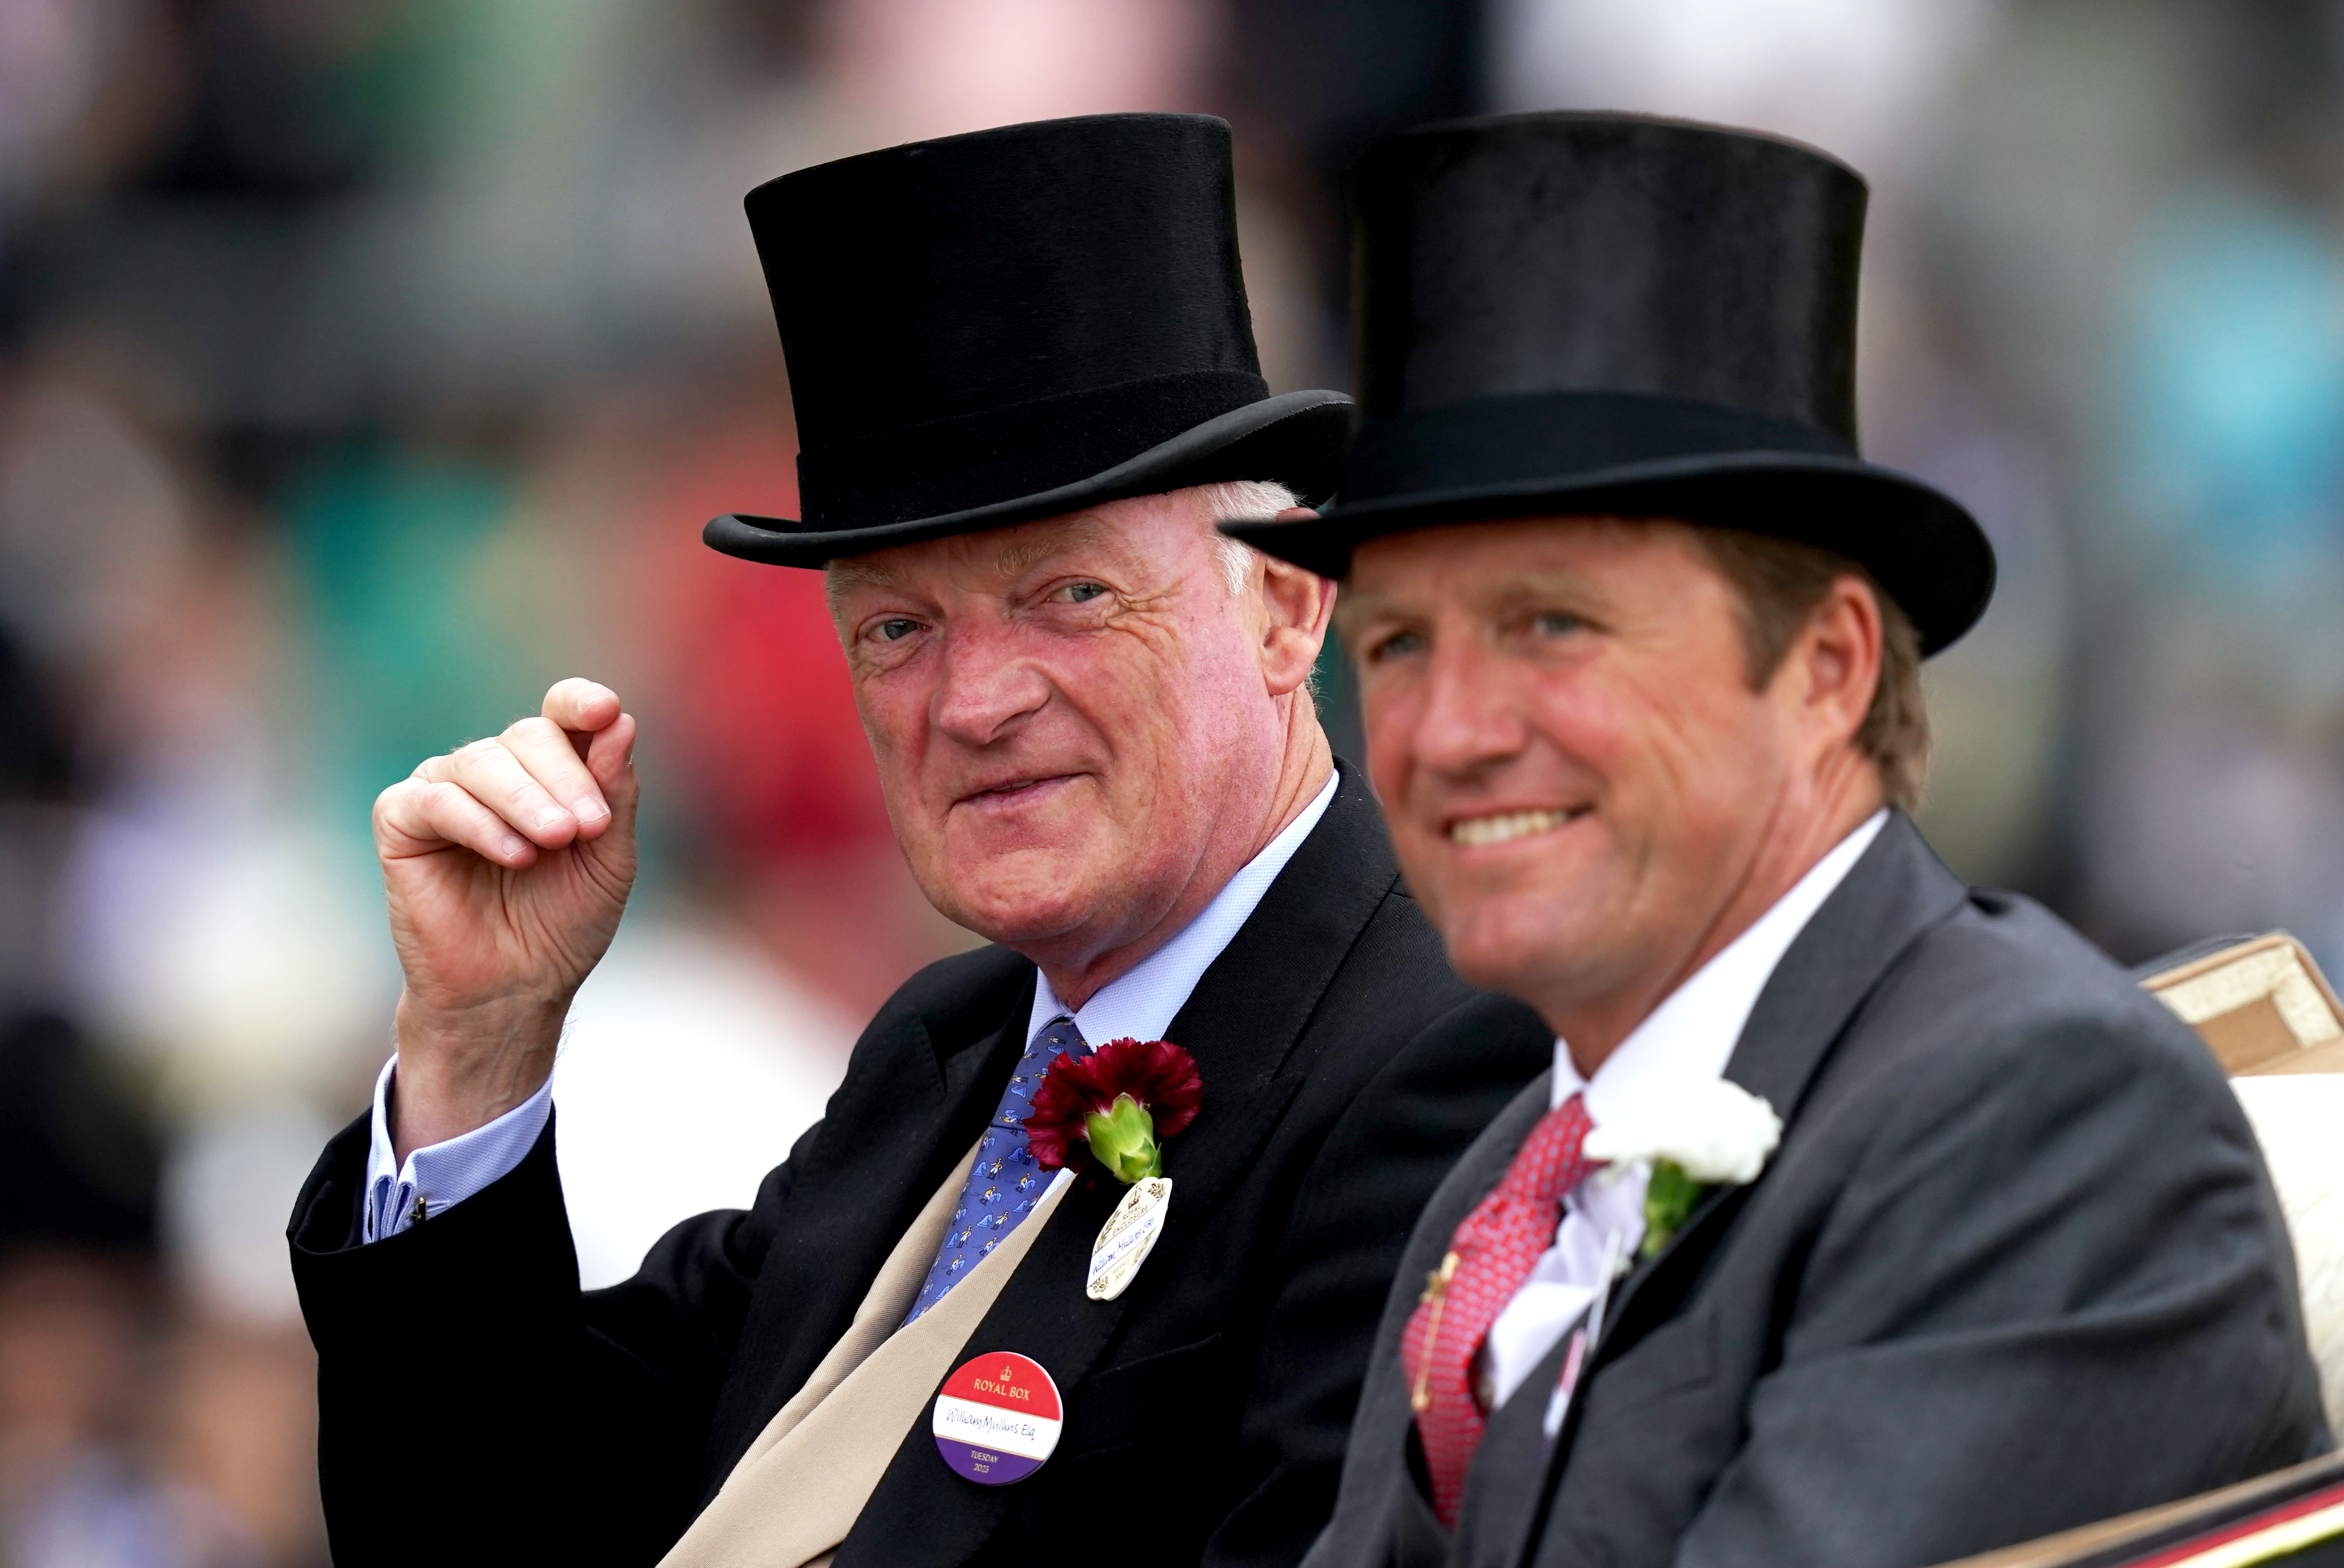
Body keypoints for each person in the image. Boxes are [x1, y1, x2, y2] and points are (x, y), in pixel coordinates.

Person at [284, 114, 1551, 1568]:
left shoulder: (1455, 1059)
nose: (975, 701)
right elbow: (487, 1530)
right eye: (897, 627)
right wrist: (477, 1052)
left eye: (1068, 595)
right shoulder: (943, 1058)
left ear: (1285, 608)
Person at [1227, 112, 2328, 1568]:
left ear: (1827, 667)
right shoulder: (1508, 1172)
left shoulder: (2042, 1117)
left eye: (1548, 624)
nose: (1445, 730)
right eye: (1399, 643)